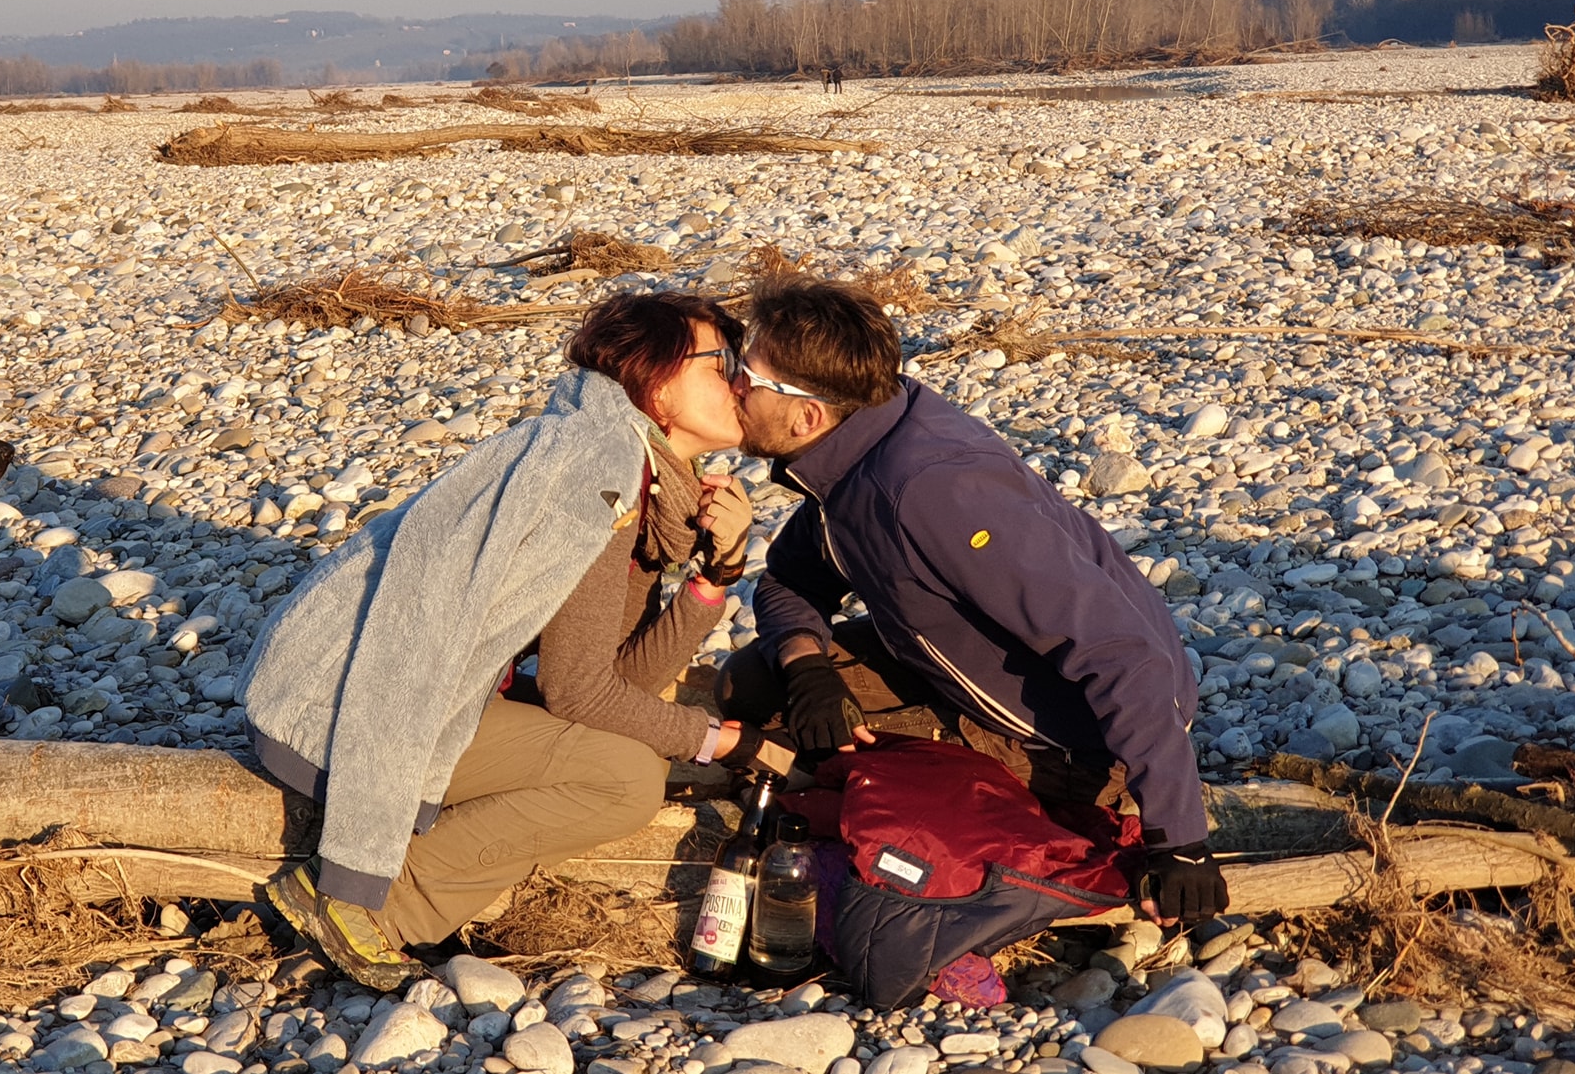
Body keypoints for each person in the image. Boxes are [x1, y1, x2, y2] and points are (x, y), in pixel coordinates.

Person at [238, 292, 759, 987]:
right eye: (719, 361)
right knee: (626, 778)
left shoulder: (635, 473)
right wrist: (721, 740)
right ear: (654, 377)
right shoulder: (596, 468)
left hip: (414, 690)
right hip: (346, 701)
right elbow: (578, 690)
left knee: (630, 756)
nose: (740, 380)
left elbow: (612, 680)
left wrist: (713, 579)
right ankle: (365, 903)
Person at [716, 278, 1229, 925]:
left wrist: (1179, 841)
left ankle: (1018, 800)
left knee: (779, 748)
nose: (730, 383)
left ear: (807, 415)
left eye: (745, 373)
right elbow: (789, 579)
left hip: (1078, 746)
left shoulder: (932, 493)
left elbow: (1121, 650)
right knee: (757, 682)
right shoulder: (855, 452)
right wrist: (807, 668)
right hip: (965, 672)